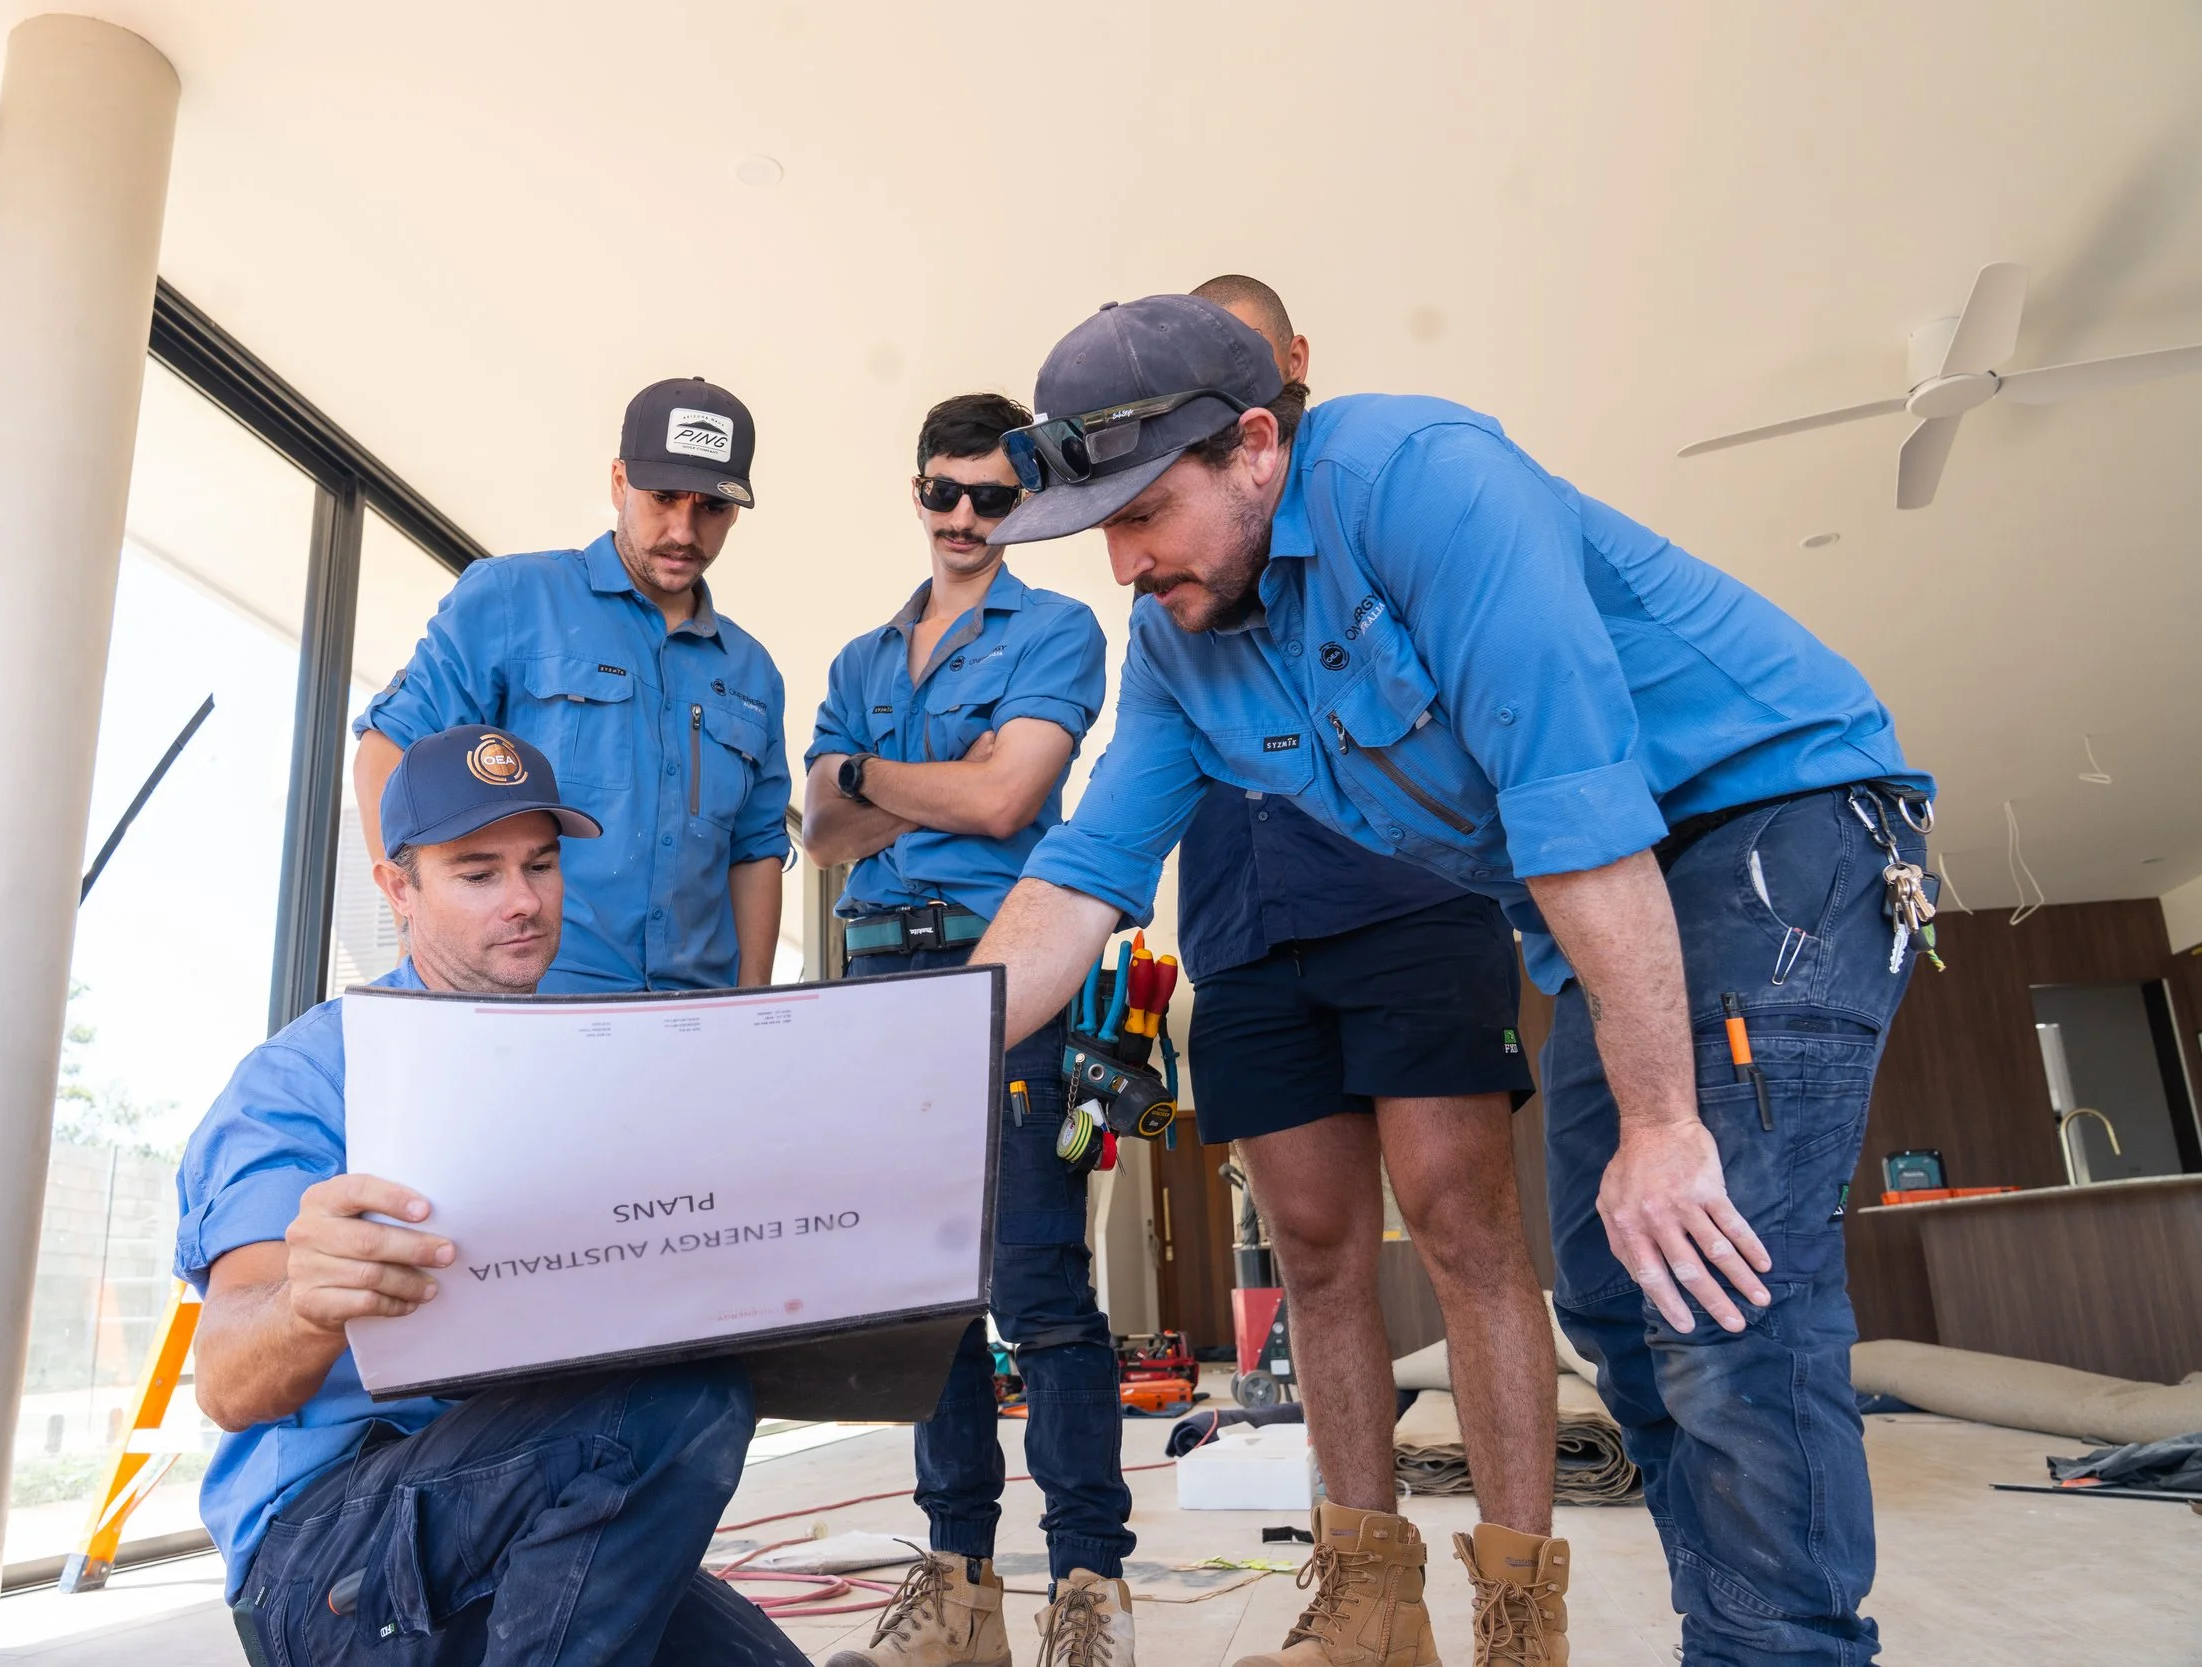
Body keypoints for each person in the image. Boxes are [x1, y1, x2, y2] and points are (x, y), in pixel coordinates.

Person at [972, 294, 1935, 1667]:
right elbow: (1079, 880)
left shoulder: (1425, 483)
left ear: (1257, 444)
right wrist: (899, 1058)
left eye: (1143, 511)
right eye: (1099, 529)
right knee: (1609, 1298)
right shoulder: (1182, 643)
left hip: (1776, 827)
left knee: (1716, 1288)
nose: (1121, 559)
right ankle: (1737, 1632)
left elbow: (1575, 801)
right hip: (1618, 905)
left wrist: (1667, 1126)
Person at [178, 725, 805, 1667]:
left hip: (531, 1489)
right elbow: (228, 1379)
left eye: (541, 865)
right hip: (328, 1551)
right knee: (680, 1393)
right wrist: (308, 1303)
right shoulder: (304, 1080)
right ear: (399, 889)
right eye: (477, 873)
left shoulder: (588, 1065)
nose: (524, 902)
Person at [1172, 274, 1561, 1656]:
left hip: (1413, 907)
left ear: (1292, 371)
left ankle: (1519, 1606)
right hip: (1242, 932)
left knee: (1465, 1231)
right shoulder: (1177, 582)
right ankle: (1368, 1604)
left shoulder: (1381, 507)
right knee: (1318, 1259)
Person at [801, 394, 1128, 1666]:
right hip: (876, 976)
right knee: (921, 1293)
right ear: (917, 486)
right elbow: (817, 833)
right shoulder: (859, 660)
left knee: (1037, 1287)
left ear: (1023, 506)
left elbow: (1007, 799)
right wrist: (888, 793)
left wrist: (871, 778)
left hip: (1005, 973)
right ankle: (959, 1585)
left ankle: (1091, 1585)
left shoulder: (1059, 628)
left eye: (993, 498)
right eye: (945, 490)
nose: (965, 519)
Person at [353, 377, 791, 993]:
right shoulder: (513, 599)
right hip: (538, 999)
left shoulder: (753, 673)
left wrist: (751, 1009)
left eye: (711, 507)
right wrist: (423, 949)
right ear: (619, 482)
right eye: (663, 497)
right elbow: (386, 753)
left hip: (699, 1014)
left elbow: (756, 850)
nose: (684, 531)